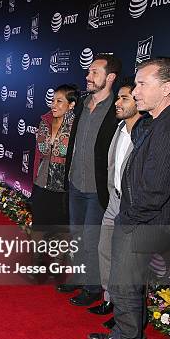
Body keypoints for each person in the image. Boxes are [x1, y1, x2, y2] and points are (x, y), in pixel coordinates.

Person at [89, 57, 170, 339]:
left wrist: (127, 217)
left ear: (166, 88)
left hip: (139, 223)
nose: (135, 91)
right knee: (127, 287)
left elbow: (152, 192)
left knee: (125, 287)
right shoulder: (159, 118)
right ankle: (125, 335)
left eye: (142, 84)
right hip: (134, 218)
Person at [57, 54, 121, 307]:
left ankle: (93, 287)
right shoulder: (83, 103)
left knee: (93, 239)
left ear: (110, 77)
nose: (88, 76)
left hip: (98, 189)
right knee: (76, 236)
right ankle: (78, 277)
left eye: (94, 72)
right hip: (75, 183)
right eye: (88, 71)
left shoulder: (118, 107)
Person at [31, 84, 77, 228]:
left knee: (59, 229)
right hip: (41, 182)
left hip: (63, 187)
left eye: (59, 101)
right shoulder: (45, 122)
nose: (53, 105)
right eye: (53, 101)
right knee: (38, 225)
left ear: (71, 105)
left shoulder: (76, 126)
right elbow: (42, 151)